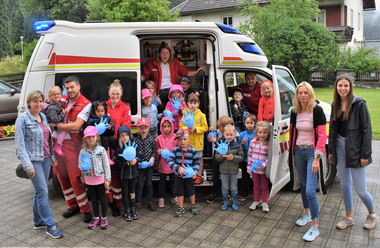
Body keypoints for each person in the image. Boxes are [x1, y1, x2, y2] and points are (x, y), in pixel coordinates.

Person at [328, 74, 377, 230]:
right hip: (339, 148)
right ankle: (349, 217)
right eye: (340, 85)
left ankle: (373, 215)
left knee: (361, 189)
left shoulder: (359, 104)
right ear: (336, 87)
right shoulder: (334, 104)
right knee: (345, 184)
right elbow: (332, 130)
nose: (343, 88)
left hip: (356, 150)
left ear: (350, 87)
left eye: (346, 86)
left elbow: (367, 130)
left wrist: (365, 154)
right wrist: (331, 150)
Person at [15, 90, 63, 239]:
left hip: (46, 158)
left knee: (38, 191)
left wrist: (53, 156)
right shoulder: (22, 120)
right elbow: (20, 145)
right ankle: (50, 225)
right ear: (29, 102)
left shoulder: (42, 116)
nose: (39, 104)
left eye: (41, 101)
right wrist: (27, 165)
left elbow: (48, 139)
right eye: (35, 101)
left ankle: (38, 221)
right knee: (43, 191)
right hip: (33, 161)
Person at [50, 75, 93, 223]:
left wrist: (55, 126)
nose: (70, 90)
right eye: (67, 88)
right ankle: (72, 206)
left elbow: (76, 126)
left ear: (78, 86)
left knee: (75, 178)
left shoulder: (86, 104)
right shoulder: (62, 99)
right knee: (62, 177)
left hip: (73, 146)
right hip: (56, 144)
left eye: (72, 87)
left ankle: (85, 209)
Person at [288, 82, 327, 242]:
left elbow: (322, 136)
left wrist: (317, 158)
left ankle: (315, 227)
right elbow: (292, 133)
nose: (302, 95)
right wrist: (291, 154)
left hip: (312, 153)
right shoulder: (295, 111)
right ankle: (306, 214)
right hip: (298, 152)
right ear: (297, 95)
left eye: (305, 92)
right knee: (303, 186)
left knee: (311, 191)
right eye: (300, 92)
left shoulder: (317, 110)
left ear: (310, 94)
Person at [141, 43, 203, 108]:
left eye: (167, 53)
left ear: (170, 54)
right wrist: (140, 77)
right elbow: (145, 75)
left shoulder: (175, 62)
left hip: (172, 90)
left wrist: (196, 72)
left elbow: (185, 72)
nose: (165, 55)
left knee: (176, 105)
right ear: (159, 54)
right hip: (158, 91)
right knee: (158, 106)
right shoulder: (151, 63)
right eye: (163, 53)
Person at [105, 79, 132, 217]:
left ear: (121, 94)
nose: (115, 97)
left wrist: (115, 141)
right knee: (106, 174)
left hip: (117, 145)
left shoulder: (125, 107)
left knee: (116, 175)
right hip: (105, 146)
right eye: (112, 94)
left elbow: (124, 127)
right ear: (108, 93)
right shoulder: (104, 105)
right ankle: (110, 203)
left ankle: (118, 204)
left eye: (117, 94)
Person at [78, 126, 111, 230]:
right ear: (85, 139)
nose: (91, 139)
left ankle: (104, 217)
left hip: (100, 179)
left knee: (102, 198)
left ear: (97, 137)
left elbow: (106, 165)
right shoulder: (83, 151)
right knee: (94, 199)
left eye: (93, 136)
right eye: (88, 137)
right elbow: (79, 164)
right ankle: (96, 217)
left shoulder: (101, 150)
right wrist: (83, 168)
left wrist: (108, 179)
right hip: (89, 180)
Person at [167, 129, 200, 217]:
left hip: (189, 177)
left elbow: (197, 162)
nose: (182, 141)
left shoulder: (192, 150)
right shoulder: (175, 150)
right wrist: (178, 168)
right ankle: (181, 207)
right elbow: (169, 161)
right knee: (179, 192)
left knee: (191, 191)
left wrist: (195, 173)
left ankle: (193, 205)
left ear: (188, 139)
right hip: (178, 177)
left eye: (184, 139)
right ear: (177, 140)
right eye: (180, 139)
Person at [206, 116, 237, 204]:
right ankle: (214, 193)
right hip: (217, 158)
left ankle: (227, 195)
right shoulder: (219, 131)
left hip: (225, 160)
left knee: (226, 178)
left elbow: (223, 146)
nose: (218, 129)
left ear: (224, 127)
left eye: (219, 127)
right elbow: (215, 133)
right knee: (215, 177)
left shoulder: (231, 135)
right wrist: (212, 129)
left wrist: (214, 141)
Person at [114, 126, 142, 221]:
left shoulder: (135, 146)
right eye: (122, 135)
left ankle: (133, 209)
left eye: (126, 135)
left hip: (133, 174)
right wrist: (126, 163)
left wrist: (136, 160)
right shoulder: (119, 149)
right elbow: (117, 163)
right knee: (125, 193)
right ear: (119, 137)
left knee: (132, 192)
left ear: (129, 135)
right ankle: (127, 210)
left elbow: (140, 156)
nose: (125, 137)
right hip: (123, 176)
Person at [180, 95, 208, 184]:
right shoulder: (185, 112)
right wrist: (187, 129)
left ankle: (199, 175)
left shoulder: (201, 115)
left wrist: (195, 129)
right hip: (187, 142)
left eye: (195, 103)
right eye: (190, 103)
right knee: (188, 158)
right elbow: (181, 125)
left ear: (198, 104)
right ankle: (189, 173)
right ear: (187, 103)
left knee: (199, 158)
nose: (192, 105)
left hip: (198, 142)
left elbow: (205, 127)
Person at [215, 124, 244, 211]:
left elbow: (241, 157)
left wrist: (233, 158)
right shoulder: (220, 145)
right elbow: (216, 157)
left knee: (234, 188)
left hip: (234, 171)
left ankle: (234, 202)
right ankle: (225, 202)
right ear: (224, 134)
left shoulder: (238, 146)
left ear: (234, 135)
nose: (229, 136)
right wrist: (221, 156)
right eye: (227, 134)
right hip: (223, 171)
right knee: (224, 187)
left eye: (231, 135)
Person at [134, 117, 157, 211]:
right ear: (138, 128)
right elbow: (133, 153)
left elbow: (155, 151)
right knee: (139, 184)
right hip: (139, 166)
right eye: (141, 127)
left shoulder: (151, 139)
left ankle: (150, 201)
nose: (143, 130)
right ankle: (138, 202)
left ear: (148, 128)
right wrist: (137, 163)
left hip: (149, 166)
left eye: (145, 127)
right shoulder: (135, 140)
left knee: (149, 183)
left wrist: (153, 159)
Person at [247, 121, 271, 213]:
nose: (262, 134)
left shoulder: (268, 144)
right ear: (256, 132)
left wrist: (263, 165)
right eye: (260, 132)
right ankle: (256, 201)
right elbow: (249, 155)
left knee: (264, 186)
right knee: (256, 186)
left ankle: (264, 202)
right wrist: (249, 167)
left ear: (268, 133)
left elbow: (270, 157)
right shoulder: (253, 142)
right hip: (254, 170)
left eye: (264, 132)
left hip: (264, 170)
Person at [155, 117, 179, 208]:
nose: (167, 128)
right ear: (161, 127)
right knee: (162, 182)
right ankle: (161, 198)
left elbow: (178, 148)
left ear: (172, 126)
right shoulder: (159, 138)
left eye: (169, 126)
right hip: (162, 164)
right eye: (164, 126)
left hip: (172, 164)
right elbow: (155, 148)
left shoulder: (175, 137)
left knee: (173, 181)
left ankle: (174, 196)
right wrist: (159, 151)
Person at [85, 100, 116, 165]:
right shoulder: (92, 120)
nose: (101, 113)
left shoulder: (107, 118)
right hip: (97, 137)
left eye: (102, 111)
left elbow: (112, 130)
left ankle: (113, 157)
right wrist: (95, 129)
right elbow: (88, 129)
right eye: (98, 111)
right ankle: (107, 158)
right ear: (94, 111)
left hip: (107, 134)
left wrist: (110, 128)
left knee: (113, 139)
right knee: (105, 140)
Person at [41, 86, 68, 156]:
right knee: (65, 130)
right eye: (54, 94)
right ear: (50, 96)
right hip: (54, 123)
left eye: (58, 94)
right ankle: (58, 146)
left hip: (56, 123)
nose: (56, 96)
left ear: (61, 94)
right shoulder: (52, 107)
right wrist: (63, 113)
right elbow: (54, 119)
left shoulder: (58, 103)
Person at [237, 113, 257, 201]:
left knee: (256, 176)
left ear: (255, 123)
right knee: (245, 177)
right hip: (245, 159)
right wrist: (242, 144)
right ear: (244, 123)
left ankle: (257, 192)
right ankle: (246, 191)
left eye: (251, 123)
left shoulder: (257, 133)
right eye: (247, 123)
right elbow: (238, 146)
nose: (249, 125)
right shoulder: (241, 134)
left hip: (255, 159)